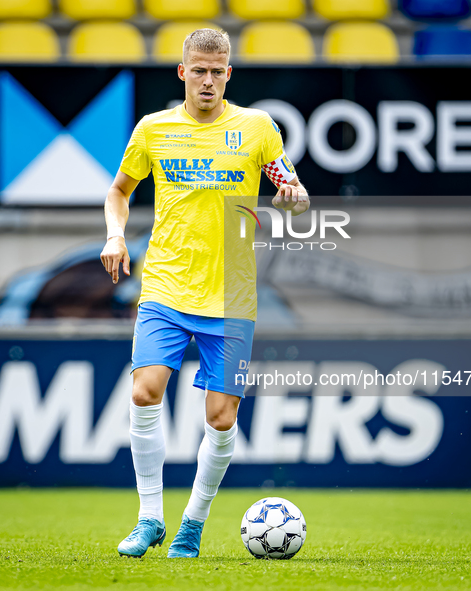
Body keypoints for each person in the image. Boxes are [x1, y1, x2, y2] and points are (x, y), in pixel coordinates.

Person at [100, 28, 309, 559]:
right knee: (146, 390)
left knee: (221, 417)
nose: (208, 80)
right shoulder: (154, 129)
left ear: (229, 74)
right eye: (199, 70)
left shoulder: (258, 128)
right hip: (166, 284)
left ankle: (192, 523)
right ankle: (150, 518)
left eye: (218, 71)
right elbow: (119, 191)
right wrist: (115, 234)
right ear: (182, 72)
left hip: (231, 297)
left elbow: (292, 192)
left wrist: (293, 196)